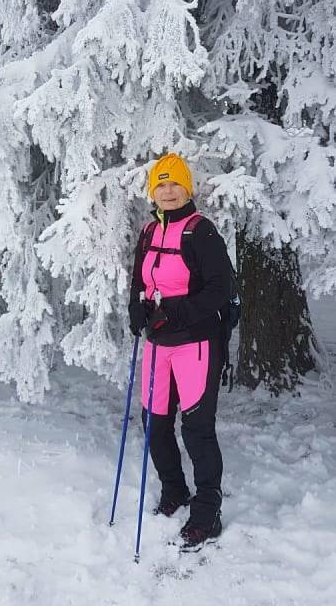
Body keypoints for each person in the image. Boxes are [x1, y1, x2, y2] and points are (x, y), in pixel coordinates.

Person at [128, 152, 233, 550]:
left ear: (186, 187)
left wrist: (173, 313)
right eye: (161, 185)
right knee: (155, 423)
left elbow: (218, 290)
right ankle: (174, 491)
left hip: (196, 343)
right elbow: (138, 281)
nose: (168, 191)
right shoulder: (148, 233)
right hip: (159, 343)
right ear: (152, 191)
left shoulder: (200, 231)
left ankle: (208, 512)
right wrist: (136, 311)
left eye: (174, 184)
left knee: (197, 430)